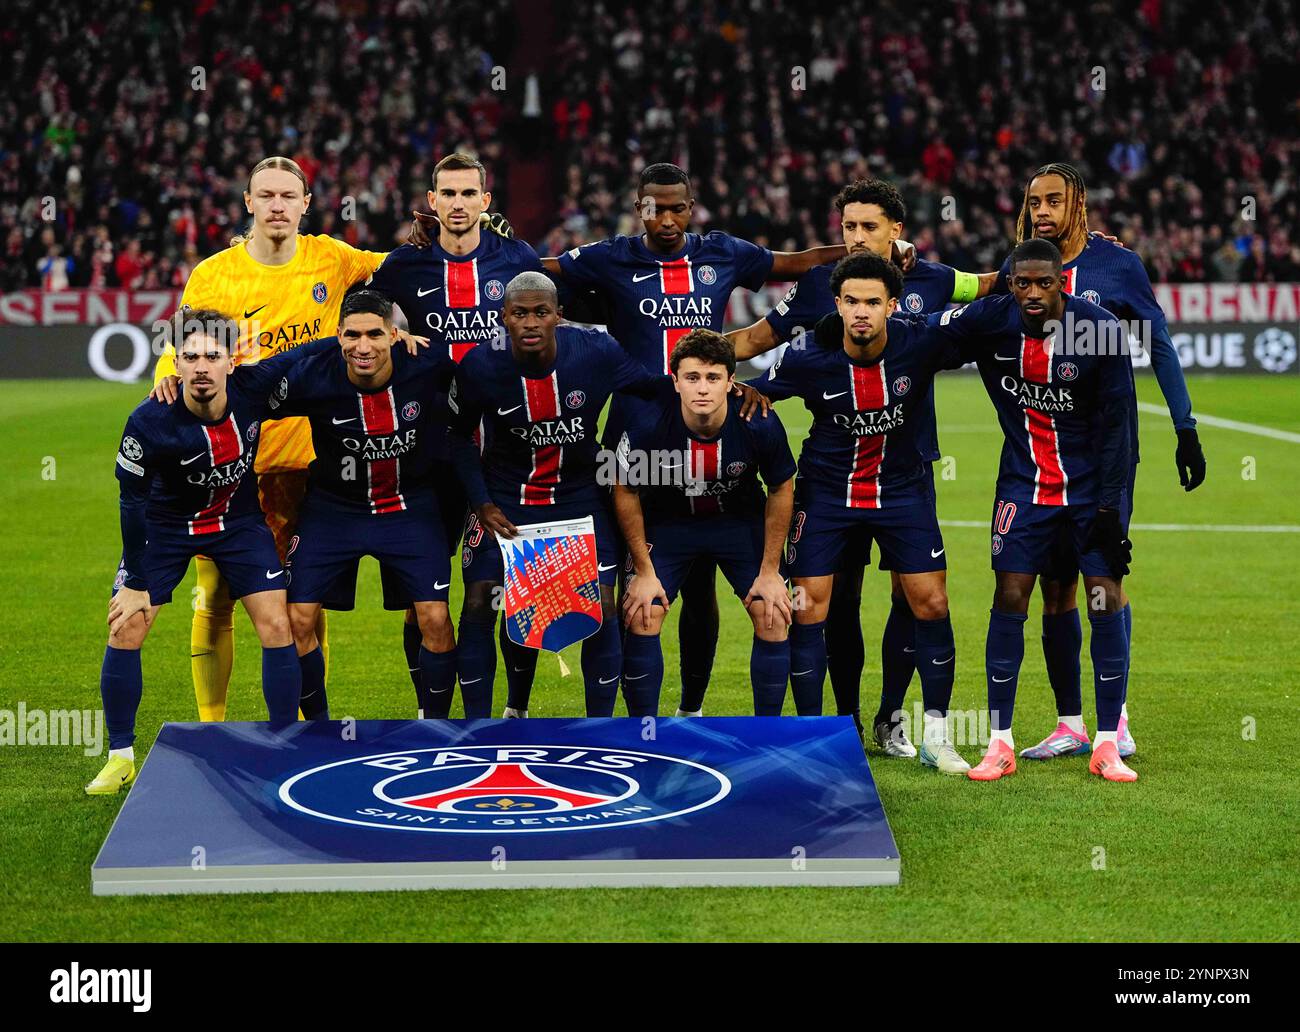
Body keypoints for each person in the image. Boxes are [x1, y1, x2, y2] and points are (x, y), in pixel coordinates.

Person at [543, 161, 845, 717]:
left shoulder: (723, 252)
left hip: (716, 431)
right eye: (654, 207)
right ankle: (626, 724)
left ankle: (694, 708)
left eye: (678, 206)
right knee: (629, 592)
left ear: (692, 207)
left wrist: (849, 255)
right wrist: (482, 249)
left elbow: (793, 264)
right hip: (639, 439)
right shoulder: (610, 256)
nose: (667, 218)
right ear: (639, 208)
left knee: (706, 590)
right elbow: (544, 271)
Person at [730, 177, 995, 751]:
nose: (855, 237)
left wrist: (1071, 264)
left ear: (895, 230)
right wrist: (694, 359)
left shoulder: (935, 280)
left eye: (867, 226)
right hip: (832, 481)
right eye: (847, 226)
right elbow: (756, 345)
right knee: (832, 601)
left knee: (914, 597)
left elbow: (993, 290)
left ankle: (894, 720)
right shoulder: (816, 294)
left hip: (907, 473)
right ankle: (838, 723)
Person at [152, 156, 395, 724]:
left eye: (289, 196)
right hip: (235, 463)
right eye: (267, 196)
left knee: (304, 604)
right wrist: (167, 372)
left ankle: (306, 726)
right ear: (249, 203)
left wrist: (446, 241)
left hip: (315, 463)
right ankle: (212, 724)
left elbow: (402, 270)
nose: (278, 206)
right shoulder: (216, 275)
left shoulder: (331, 258)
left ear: (306, 203)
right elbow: (182, 345)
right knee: (215, 597)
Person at [997, 163, 1205, 761]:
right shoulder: (1025, 266)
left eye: (1053, 200)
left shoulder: (1118, 267)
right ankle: (1070, 724)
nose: (1041, 211)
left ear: (1078, 202)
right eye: (1033, 200)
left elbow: (1157, 344)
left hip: (1104, 462)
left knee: (1102, 583)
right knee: (1054, 591)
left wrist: (1185, 427)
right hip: (1041, 463)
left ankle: (1116, 717)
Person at [929, 239, 1138, 783]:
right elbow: (923, 340)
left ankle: (1108, 741)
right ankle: (999, 743)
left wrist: (1114, 511)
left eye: (1045, 283)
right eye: (1023, 283)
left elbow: (1120, 429)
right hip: (1024, 487)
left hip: (1091, 492)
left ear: (1062, 281)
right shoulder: (991, 322)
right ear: (1012, 284)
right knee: (1011, 593)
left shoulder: (1100, 332)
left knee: (1103, 597)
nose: (1034, 293)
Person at [87, 310, 304, 795]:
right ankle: (120, 757)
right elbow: (131, 504)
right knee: (126, 626)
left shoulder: (253, 387)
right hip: (165, 528)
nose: (202, 366)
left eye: (212, 356)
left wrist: (386, 337)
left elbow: (307, 352)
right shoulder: (148, 421)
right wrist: (137, 582)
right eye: (190, 357)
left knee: (276, 624)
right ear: (175, 364)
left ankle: (288, 742)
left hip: (238, 523)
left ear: (232, 361)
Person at [363, 152, 545, 715]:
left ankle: (514, 708)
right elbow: (362, 315)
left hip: (506, 457)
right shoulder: (403, 267)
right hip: (427, 458)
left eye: (470, 193)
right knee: (427, 599)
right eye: (449, 193)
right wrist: (393, 334)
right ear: (433, 201)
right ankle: (429, 711)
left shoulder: (516, 259)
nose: (460, 203)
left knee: (507, 593)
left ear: (486, 202)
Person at [446, 272, 666, 717]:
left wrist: (728, 390)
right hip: (506, 502)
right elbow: (456, 436)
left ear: (558, 317)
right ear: (503, 318)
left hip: (580, 499)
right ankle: (484, 726)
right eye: (520, 313)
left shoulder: (596, 353)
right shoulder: (480, 365)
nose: (530, 322)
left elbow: (650, 390)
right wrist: (481, 502)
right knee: (481, 600)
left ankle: (599, 726)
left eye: (540, 313)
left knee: (601, 604)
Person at [614, 329, 796, 716]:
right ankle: (643, 737)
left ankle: (765, 735)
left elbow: (781, 488)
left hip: (736, 521)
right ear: (674, 380)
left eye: (713, 378)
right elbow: (624, 490)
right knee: (643, 610)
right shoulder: (647, 424)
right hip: (669, 523)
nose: (702, 389)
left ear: (731, 382)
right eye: (692, 378)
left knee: (772, 610)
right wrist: (644, 571)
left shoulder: (759, 422)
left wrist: (769, 571)